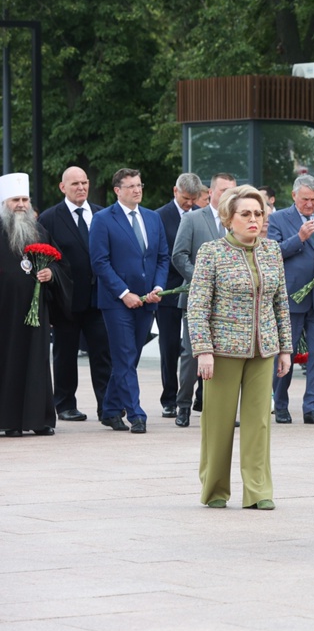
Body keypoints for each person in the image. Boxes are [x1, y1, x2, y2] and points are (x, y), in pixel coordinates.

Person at [187, 186, 291, 510]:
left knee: (259, 422)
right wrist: (203, 349)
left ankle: (258, 491)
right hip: (221, 352)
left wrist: (285, 348)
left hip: (264, 349)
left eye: (258, 214)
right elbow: (198, 304)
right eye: (245, 214)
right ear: (229, 218)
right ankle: (215, 490)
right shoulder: (212, 252)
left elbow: (281, 302)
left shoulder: (272, 250)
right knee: (217, 423)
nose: (254, 220)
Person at [89, 168, 170, 434]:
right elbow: (100, 262)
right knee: (124, 356)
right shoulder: (103, 219)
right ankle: (136, 413)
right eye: (131, 186)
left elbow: (161, 257)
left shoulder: (152, 218)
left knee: (130, 357)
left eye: (139, 184)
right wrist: (124, 293)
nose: (137, 190)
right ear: (117, 190)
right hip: (116, 301)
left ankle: (111, 408)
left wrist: (158, 286)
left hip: (148, 299)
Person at [38, 166, 112, 423]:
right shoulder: (50, 218)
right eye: (74, 184)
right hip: (65, 299)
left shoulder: (103, 214)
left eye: (84, 183)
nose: (81, 188)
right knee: (65, 353)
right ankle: (65, 404)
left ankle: (107, 406)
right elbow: (42, 259)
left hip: (99, 298)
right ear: (62, 187)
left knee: (103, 354)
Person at [268, 174, 314, 424]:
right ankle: (280, 404)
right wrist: (298, 238)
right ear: (294, 196)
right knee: (285, 353)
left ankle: (312, 407)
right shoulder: (277, 218)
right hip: (291, 297)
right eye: (305, 200)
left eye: (313, 199)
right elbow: (272, 253)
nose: (310, 204)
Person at [0, 173, 66, 437]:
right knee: (9, 361)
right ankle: (9, 420)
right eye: (15, 199)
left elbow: (61, 265)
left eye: (25, 199)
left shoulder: (39, 231)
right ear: (4, 202)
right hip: (5, 312)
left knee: (37, 363)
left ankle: (39, 419)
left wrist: (51, 274)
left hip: (35, 311)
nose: (21, 205)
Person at [171, 173, 237, 427]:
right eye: (223, 191)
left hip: (229, 303)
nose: (227, 196)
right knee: (191, 354)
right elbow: (179, 255)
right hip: (196, 298)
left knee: (225, 358)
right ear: (211, 192)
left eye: (232, 192)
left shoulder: (237, 222)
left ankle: (218, 408)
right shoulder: (192, 218)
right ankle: (184, 406)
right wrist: (201, 279)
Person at [155, 173, 202, 419]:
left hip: (200, 290)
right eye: (185, 198)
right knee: (170, 345)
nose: (189, 203)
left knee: (197, 347)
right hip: (170, 290)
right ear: (175, 191)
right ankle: (169, 398)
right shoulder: (159, 217)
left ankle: (200, 397)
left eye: (194, 199)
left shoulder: (201, 215)